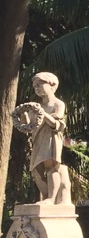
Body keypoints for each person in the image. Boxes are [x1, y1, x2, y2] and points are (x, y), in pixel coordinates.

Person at [13, 72, 71, 204]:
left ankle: (51, 198)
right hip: (38, 140)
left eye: (40, 84)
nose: (37, 88)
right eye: (35, 86)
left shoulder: (58, 104)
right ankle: (46, 197)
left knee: (51, 167)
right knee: (36, 172)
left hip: (51, 138)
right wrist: (24, 114)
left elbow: (56, 123)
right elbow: (30, 126)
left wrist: (43, 113)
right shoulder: (37, 107)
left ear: (51, 85)